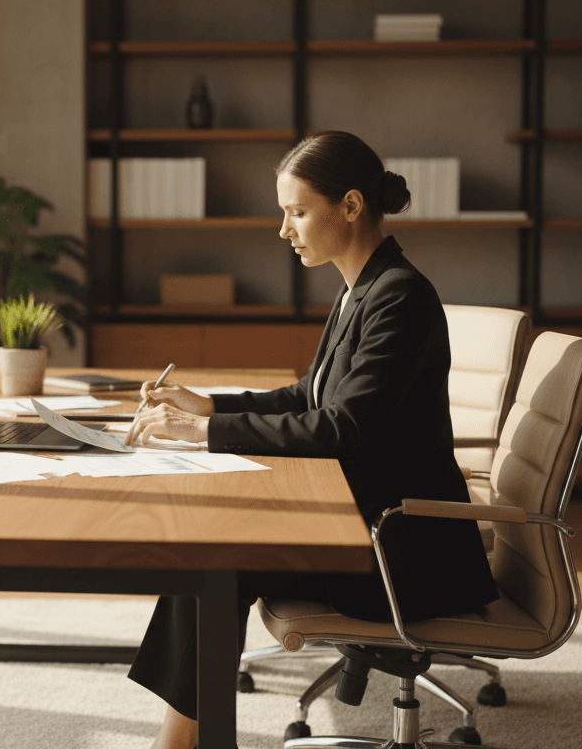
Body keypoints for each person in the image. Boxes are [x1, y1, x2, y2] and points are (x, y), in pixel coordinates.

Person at [121, 130, 500, 749]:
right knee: (210, 549)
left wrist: (203, 433)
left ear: (350, 206)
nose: (284, 229)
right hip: (363, 521)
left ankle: (180, 743)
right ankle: (186, 740)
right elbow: (309, 397)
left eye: (297, 211)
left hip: (400, 549)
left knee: (215, 558)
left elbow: (343, 429)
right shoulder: (363, 288)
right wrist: (209, 405)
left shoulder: (398, 296)